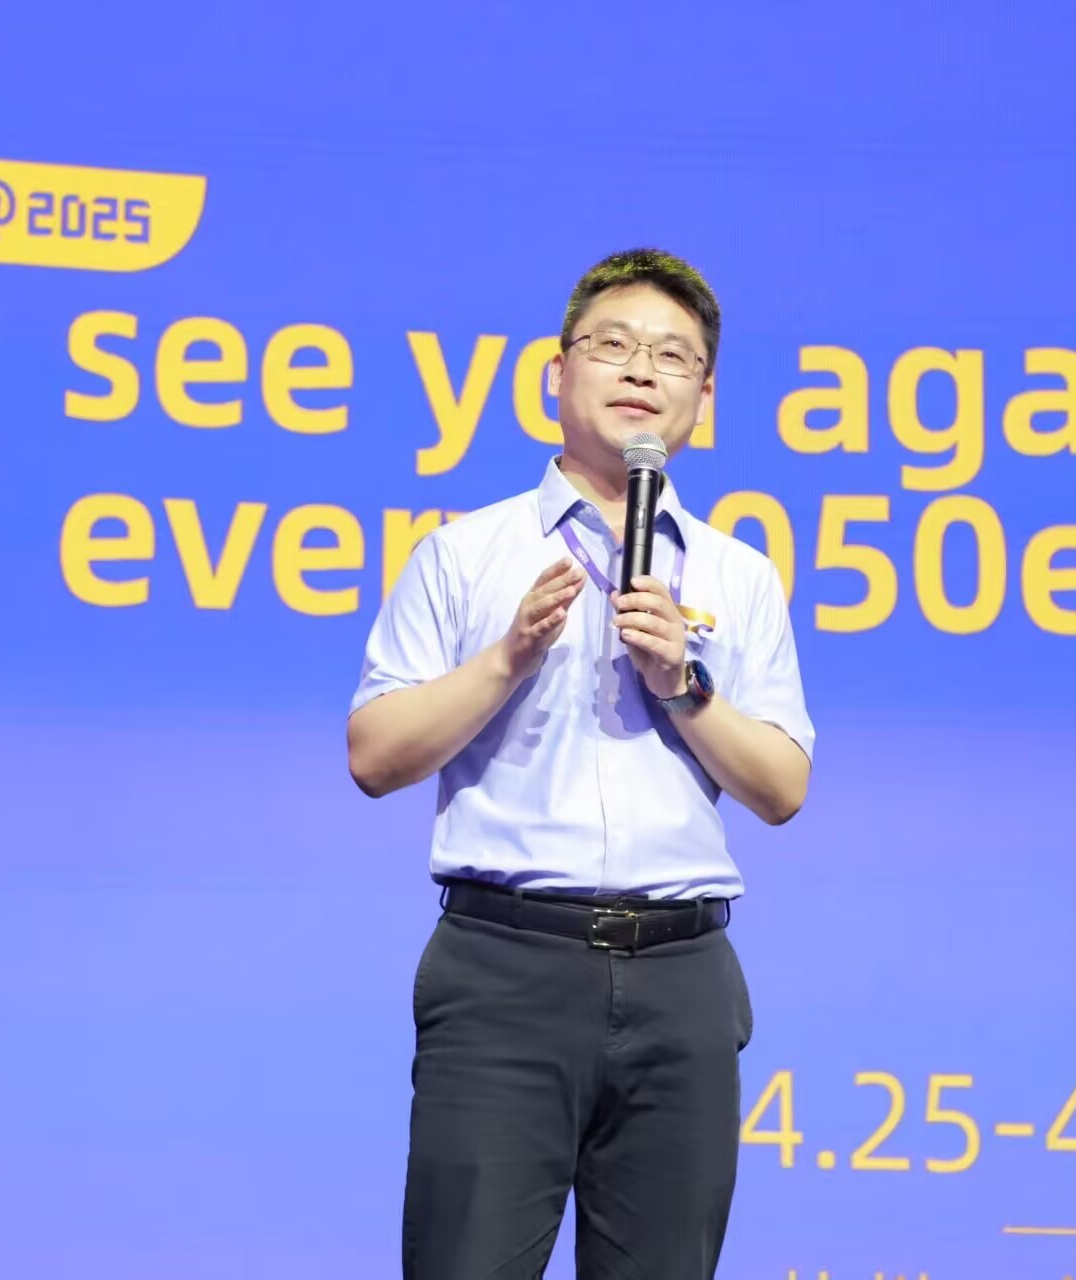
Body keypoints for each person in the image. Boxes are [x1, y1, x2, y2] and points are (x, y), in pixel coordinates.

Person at [347, 248, 815, 1279]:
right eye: (615, 344)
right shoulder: (465, 554)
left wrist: (684, 684)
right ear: (557, 374)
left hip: (682, 976)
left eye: (674, 355)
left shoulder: (738, 574)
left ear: (704, 398)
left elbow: (783, 787)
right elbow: (374, 756)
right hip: (505, 969)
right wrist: (507, 658)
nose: (642, 369)